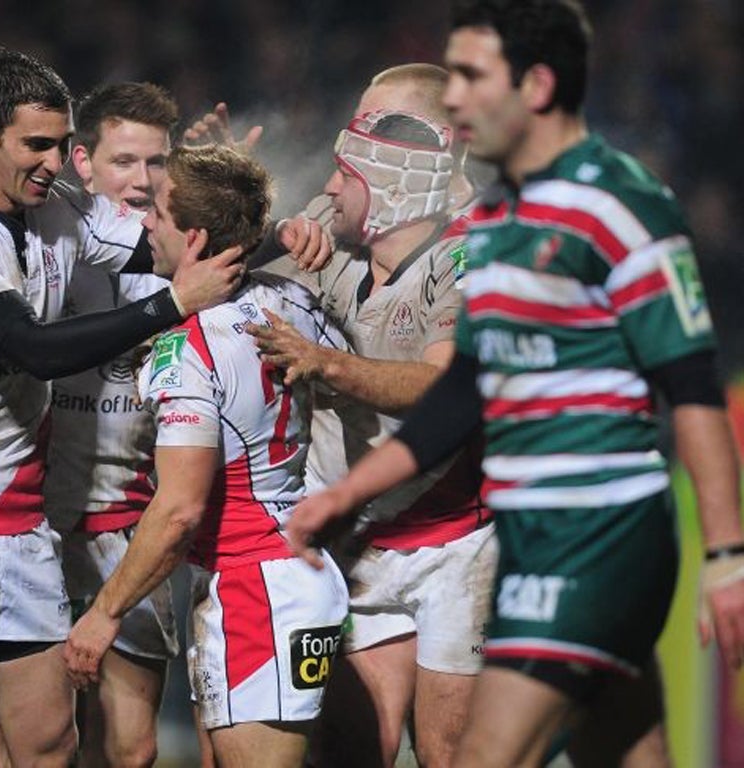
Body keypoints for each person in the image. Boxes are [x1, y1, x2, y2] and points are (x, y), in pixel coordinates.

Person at [287, 2, 744, 766]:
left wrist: (728, 555)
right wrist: (344, 496)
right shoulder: (496, 219)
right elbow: (463, 391)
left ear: (534, 85)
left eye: (472, 77)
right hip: (531, 527)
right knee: (625, 746)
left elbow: (692, 389)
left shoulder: (619, 204)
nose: (456, 99)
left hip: (594, 529)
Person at [0, 48, 241, 767]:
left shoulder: (63, 209)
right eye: (36, 144)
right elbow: (30, 347)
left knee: (51, 747)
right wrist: (174, 303)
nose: (53, 161)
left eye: (63, 144)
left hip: (22, 523)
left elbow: (171, 249)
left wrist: (268, 219)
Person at [63, 144, 350, 768]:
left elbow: (179, 510)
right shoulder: (289, 299)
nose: (143, 223)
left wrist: (104, 613)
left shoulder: (187, 351)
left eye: (156, 214)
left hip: (258, 585)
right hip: (276, 571)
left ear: (191, 238)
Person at [247, 65, 494, 768]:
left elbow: (445, 385)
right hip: (352, 544)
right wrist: (236, 194)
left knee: (448, 753)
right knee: (356, 751)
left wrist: (326, 363)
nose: (337, 175)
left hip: (455, 540)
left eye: (377, 123)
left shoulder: (473, 252)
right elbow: (219, 270)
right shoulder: (329, 227)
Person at [45, 81, 180, 768]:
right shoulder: (39, 242)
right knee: (38, 743)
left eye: (156, 162)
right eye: (124, 160)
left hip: (124, 531)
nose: (142, 179)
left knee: (130, 750)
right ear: (81, 162)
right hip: (33, 530)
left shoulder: (185, 265)